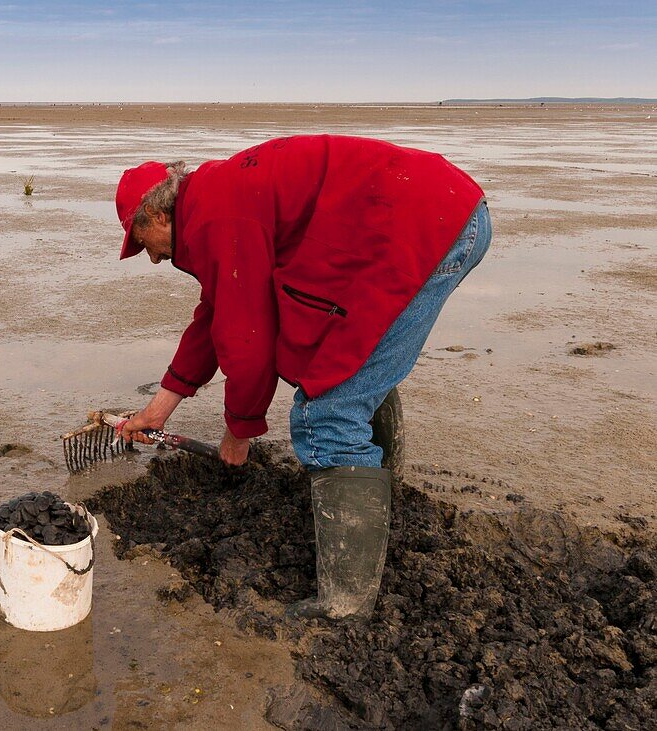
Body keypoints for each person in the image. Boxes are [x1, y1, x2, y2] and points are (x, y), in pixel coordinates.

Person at [114, 135, 491, 620]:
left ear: (157, 216)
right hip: (445, 208)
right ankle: (374, 501)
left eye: (143, 244)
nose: (152, 258)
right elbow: (215, 318)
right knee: (344, 361)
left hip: (425, 224)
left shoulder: (217, 217)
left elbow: (246, 343)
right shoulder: (216, 198)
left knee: (327, 412)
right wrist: (156, 411)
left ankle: (346, 604)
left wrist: (238, 434)